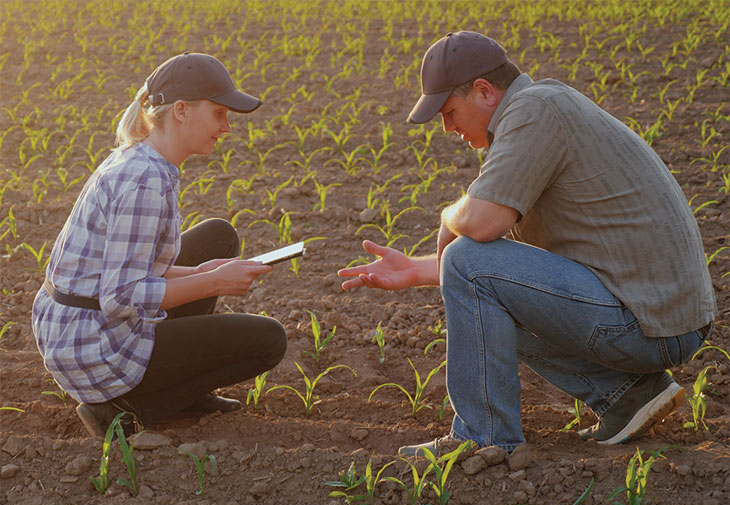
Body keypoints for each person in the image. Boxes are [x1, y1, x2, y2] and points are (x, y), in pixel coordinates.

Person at [338, 31, 716, 456]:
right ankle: (627, 396)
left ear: (484, 91)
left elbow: (478, 229)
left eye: (449, 112)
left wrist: (449, 217)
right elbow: (505, 271)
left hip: (647, 322)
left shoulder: (534, 111)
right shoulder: (541, 108)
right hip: (659, 316)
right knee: (480, 293)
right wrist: (416, 269)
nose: (448, 128)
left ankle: (482, 439)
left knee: (465, 257)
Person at [32, 53, 287, 437]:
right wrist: (215, 282)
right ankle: (125, 410)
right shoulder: (144, 182)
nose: (227, 127)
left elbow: (133, 266)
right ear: (181, 111)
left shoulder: (144, 159)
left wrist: (202, 272)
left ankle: (186, 389)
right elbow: (120, 296)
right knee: (269, 341)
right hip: (92, 346)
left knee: (217, 239)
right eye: (219, 113)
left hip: (76, 327)